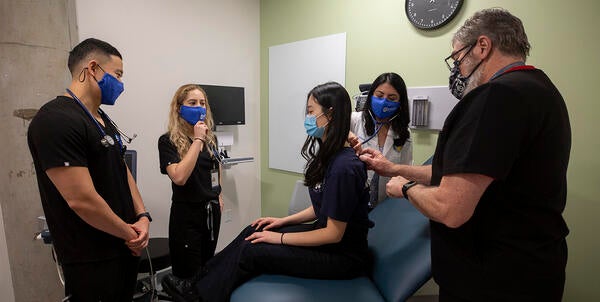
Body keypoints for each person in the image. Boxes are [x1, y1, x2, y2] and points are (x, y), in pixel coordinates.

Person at [359, 8, 571, 302]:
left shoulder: (494, 97)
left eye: (458, 59)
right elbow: (460, 174)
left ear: (482, 47)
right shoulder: (542, 91)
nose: (457, 69)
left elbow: (451, 208)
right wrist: (393, 169)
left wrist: (404, 189)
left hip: (493, 280)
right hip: (533, 270)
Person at [161, 82, 371, 302]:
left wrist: (278, 238)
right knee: (255, 228)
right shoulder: (331, 157)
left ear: (331, 114)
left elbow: (332, 233)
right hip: (329, 244)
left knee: (252, 250)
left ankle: (199, 296)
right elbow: (321, 208)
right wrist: (280, 221)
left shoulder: (344, 167)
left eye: (311, 111)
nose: (307, 118)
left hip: (342, 257)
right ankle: (197, 282)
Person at [27, 38, 150, 301]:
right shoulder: (55, 120)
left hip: (123, 245)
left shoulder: (101, 118)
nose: (121, 84)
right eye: (117, 74)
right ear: (93, 68)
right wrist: (129, 232)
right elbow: (81, 200)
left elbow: (121, 167)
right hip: (91, 257)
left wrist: (142, 215)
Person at [158, 84, 223, 280]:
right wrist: (197, 140)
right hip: (186, 215)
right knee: (188, 273)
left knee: (207, 266)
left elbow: (215, 168)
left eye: (202, 103)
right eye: (192, 103)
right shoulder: (167, 141)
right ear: (179, 108)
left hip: (211, 212)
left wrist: (218, 193)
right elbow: (179, 177)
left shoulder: (211, 139)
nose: (199, 108)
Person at [349, 72, 412, 208]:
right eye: (379, 95)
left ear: (400, 102)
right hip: (353, 201)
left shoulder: (404, 133)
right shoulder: (355, 120)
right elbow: (329, 124)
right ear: (371, 96)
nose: (384, 101)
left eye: (391, 97)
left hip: (387, 203)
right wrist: (348, 135)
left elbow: (406, 170)